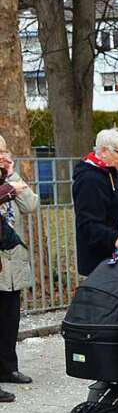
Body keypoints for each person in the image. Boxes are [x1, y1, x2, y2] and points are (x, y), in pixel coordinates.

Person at [0, 135, 38, 395]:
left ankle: (7, 367)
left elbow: (31, 204)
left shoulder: (8, 178)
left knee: (10, 315)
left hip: (11, 254)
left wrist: (12, 177)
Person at [72, 129, 118, 275]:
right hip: (102, 262)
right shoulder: (89, 179)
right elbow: (87, 223)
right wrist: (115, 239)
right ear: (104, 151)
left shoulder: (113, 172)